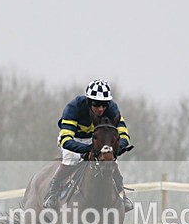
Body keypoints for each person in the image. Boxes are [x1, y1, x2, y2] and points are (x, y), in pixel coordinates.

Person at [43, 79, 134, 212]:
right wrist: (86, 150)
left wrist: (116, 149)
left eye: (104, 105)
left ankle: (122, 195)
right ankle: (52, 193)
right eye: (97, 105)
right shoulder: (74, 108)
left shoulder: (112, 108)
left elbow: (123, 134)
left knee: (110, 160)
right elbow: (66, 140)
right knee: (71, 159)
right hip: (73, 139)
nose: (101, 109)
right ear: (89, 101)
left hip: (96, 140)